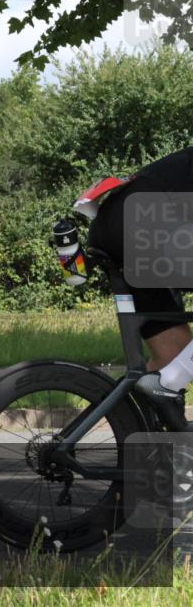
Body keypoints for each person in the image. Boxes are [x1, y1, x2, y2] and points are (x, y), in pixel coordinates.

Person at [87, 147, 193, 429]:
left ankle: (154, 449)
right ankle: (168, 384)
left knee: (174, 351)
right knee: (171, 377)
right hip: (141, 228)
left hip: (123, 226)